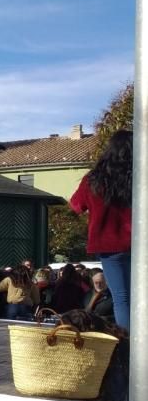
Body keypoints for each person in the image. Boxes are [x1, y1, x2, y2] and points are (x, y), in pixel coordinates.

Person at [70, 130, 133, 331]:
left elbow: (76, 205)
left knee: (121, 298)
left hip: (109, 245)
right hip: (139, 243)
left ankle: (128, 344)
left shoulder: (94, 179)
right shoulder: (139, 176)